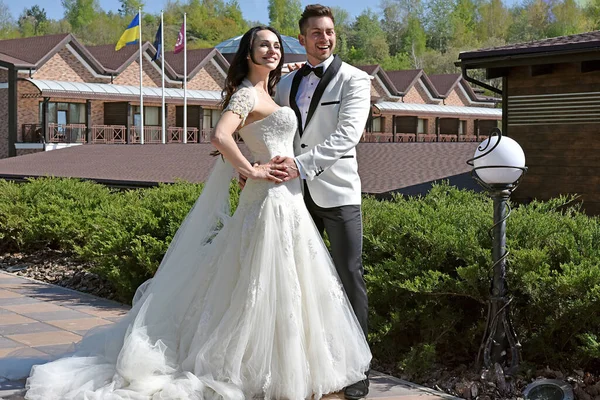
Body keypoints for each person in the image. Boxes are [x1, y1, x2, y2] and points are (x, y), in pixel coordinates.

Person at [21, 26, 371, 400]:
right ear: (248, 54)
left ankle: (297, 363)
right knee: (263, 282)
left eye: (275, 45)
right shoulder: (244, 94)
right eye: (262, 45)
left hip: (291, 195)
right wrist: (250, 169)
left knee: (290, 282)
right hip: (269, 197)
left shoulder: (276, 88)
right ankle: (263, 368)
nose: (271, 50)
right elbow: (220, 136)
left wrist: (254, 163)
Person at [269, 5, 373, 399]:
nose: (324, 38)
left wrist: (299, 165)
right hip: (293, 195)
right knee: (298, 279)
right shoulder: (286, 84)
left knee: (349, 275)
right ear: (302, 38)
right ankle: (308, 363)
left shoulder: (355, 80)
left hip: (338, 191)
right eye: (316, 33)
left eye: (329, 32)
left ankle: (358, 367)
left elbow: (348, 135)